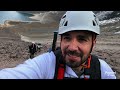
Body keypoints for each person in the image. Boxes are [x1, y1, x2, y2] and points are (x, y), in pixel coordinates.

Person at [0, 11, 116, 79]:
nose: (72, 47)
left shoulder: (102, 70)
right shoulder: (47, 63)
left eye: (82, 39)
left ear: (93, 43)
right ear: (61, 40)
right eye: (67, 38)